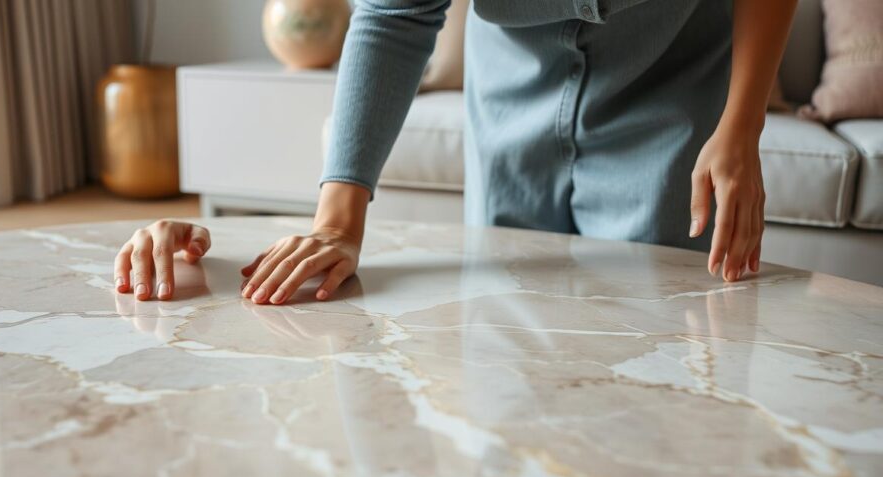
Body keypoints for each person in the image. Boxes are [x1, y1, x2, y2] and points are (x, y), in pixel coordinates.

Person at [114, 0, 797, 303]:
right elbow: (394, 15)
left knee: (660, 334)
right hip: (512, 91)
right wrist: (337, 223)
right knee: (511, 322)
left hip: (672, 78)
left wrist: (740, 126)